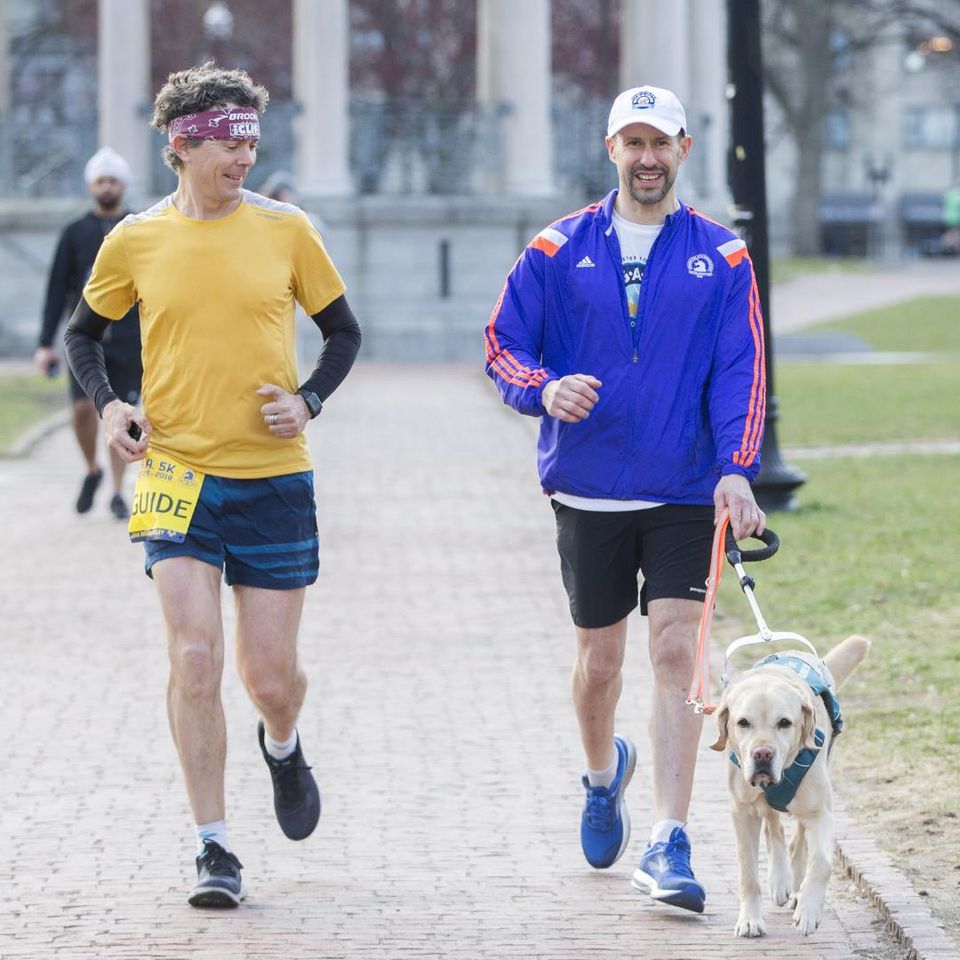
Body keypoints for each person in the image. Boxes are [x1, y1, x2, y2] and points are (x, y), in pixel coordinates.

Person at [64, 62, 361, 908]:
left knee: (269, 676)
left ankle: (283, 739)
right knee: (193, 656)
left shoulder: (287, 230)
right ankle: (214, 846)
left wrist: (306, 401)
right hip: (176, 476)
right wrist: (113, 406)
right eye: (228, 143)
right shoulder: (136, 240)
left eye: (251, 140)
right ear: (180, 147)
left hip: (272, 478)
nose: (243, 156)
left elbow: (343, 332)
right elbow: (85, 336)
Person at [484, 85, 766, 915]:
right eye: (632, 142)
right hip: (589, 488)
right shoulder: (554, 246)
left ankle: (670, 836)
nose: (647, 158)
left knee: (678, 651)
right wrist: (544, 388)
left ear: (683, 149)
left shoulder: (724, 257)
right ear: (611, 149)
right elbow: (504, 343)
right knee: (598, 665)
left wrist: (736, 468)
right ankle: (603, 774)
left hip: (684, 490)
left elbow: (740, 370)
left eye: (661, 143)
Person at [35, 148, 143, 518]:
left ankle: (117, 490)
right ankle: (92, 470)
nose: (107, 187)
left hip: (129, 341)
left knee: (124, 415)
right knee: (83, 410)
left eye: (113, 180)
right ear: (91, 185)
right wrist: (44, 343)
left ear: (123, 184)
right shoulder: (74, 232)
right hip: (84, 340)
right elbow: (56, 290)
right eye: (101, 181)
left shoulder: (139, 227)